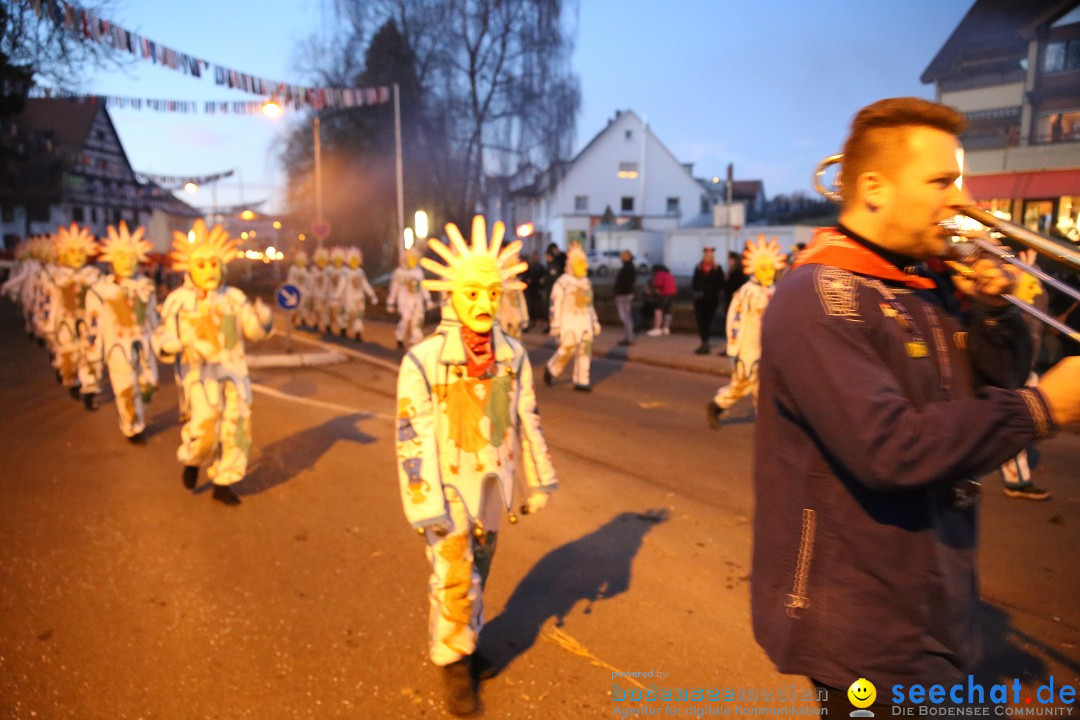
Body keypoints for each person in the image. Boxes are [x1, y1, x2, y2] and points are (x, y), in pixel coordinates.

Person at [750, 97, 1080, 709]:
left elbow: (994, 386)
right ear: (873, 187)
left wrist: (993, 312)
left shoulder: (926, 284)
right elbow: (891, 448)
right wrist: (1043, 409)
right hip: (859, 628)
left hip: (933, 600)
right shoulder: (816, 295)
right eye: (942, 181)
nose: (962, 201)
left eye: (962, 181)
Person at [396, 215, 557, 716]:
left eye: (493, 292)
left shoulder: (512, 354)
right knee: (451, 572)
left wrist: (540, 475)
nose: (485, 303)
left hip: (492, 486)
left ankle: (467, 639)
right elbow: (410, 436)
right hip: (446, 488)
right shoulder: (424, 360)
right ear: (451, 294)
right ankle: (451, 661)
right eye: (473, 292)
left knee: (479, 569)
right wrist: (424, 501)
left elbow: (525, 415)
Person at [152, 219, 273, 506]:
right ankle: (194, 459)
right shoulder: (178, 301)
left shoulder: (234, 298)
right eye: (202, 264)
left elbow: (252, 331)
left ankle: (224, 481)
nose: (209, 270)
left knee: (237, 428)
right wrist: (182, 343)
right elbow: (161, 338)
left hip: (234, 374)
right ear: (190, 269)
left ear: (223, 267)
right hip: (199, 376)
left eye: (214, 264)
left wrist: (264, 322)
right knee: (206, 429)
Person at [84, 222, 160, 443]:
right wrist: (93, 359)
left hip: (144, 346)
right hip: (117, 349)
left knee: (147, 386)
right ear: (111, 260)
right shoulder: (100, 292)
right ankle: (132, 426)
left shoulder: (146, 287)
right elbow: (93, 328)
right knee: (125, 389)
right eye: (121, 256)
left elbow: (153, 319)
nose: (127, 262)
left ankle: (137, 413)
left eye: (131, 257)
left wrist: (161, 342)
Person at [706, 236, 784, 427]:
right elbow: (734, 320)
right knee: (742, 384)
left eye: (771, 268)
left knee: (764, 385)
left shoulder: (775, 291)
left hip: (768, 348)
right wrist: (734, 348)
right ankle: (717, 405)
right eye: (764, 268)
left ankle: (765, 422)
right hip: (748, 349)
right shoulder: (745, 293)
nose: (769, 273)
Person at [47, 223, 102, 408]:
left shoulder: (94, 275)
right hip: (66, 323)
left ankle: (90, 389)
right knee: (70, 356)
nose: (77, 257)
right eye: (72, 252)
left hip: (89, 323)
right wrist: (50, 326)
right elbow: (53, 303)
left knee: (90, 356)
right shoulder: (57, 276)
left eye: (80, 252)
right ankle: (72, 380)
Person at [544, 243, 601, 391]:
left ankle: (582, 380)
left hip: (584, 322)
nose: (584, 265)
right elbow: (555, 304)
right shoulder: (562, 282)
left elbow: (589, 305)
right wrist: (555, 324)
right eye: (579, 262)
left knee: (585, 350)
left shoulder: (586, 283)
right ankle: (552, 368)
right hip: (568, 322)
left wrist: (594, 321)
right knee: (566, 348)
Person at [388, 246, 433, 350]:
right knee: (405, 319)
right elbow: (394, 288)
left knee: (417, 321)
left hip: (417, 301)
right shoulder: (399, 273)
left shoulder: (418, 272)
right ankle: (400, 337)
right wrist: (391, 301)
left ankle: (415, 341)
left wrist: (428, 300)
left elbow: (423, 287)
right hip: (404, 301)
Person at [691, 246, 725, 354]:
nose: (708, 257)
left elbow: (721, 282)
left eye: (710, 255)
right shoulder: (698, 267)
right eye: (707, 255)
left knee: (708, 320)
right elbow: (694, 282)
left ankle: (706, 342)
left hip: (711, 298)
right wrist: (697, 291)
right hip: (700, 298)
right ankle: (704, 343)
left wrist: (714, 289)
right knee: (701, 321)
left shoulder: (717, 268)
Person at [613, 249, 637, 346]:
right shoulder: (630, 267)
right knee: (626, 316)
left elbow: (624, 282)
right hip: (626, 293)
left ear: (627, 257)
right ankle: (628, 337)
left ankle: (629, 338)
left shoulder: (627, 268)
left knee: (625, 316)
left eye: (622, 256)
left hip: (623, 294)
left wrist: (618, 291)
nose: (621, 258)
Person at [645, 264, 676, 336]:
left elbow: (658, 284)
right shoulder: (669, 274)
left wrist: (653, 284)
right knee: (668, 310)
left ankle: (657, 328)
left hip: (664, 293)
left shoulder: (659, 274)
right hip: (672, 293)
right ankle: (666, 328)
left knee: (658, 309)